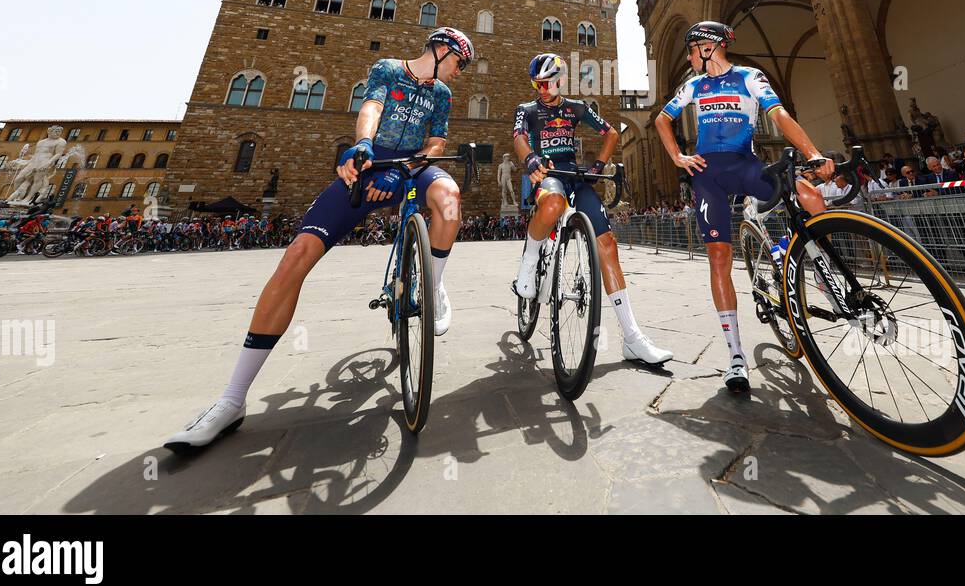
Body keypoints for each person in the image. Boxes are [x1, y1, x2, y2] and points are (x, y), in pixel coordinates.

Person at [165, 27, 473, 451]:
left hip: (412, 167)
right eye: (460, 62)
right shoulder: (388, 69)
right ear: (441, 51)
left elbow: (436, 141)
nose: (461, 72)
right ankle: (231, 400)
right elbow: (372, 105)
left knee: (450, 200)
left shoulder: (441, 93)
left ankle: (433, 287)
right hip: (371, 164)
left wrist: (408, 167)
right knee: (296, 257)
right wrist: (362, 147)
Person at [653, 21, 834, 394]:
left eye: (691, 50)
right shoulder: (693, 85)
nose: (688, 58)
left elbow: (779, 116)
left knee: (809, 195)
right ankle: (736, 356)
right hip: (708, 174)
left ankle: (822, 268)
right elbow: (661, 119)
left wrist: (811, 152)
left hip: (746, 165)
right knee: (719, 257)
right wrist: (677, 157)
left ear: (707, 47)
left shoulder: (750, 76)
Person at [512, 53, 671, 366]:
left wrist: (600, 163)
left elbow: (611, 133)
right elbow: (518, 137)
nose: (542, 89)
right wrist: (530, 159)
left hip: (576, 175)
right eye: (537, 84)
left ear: (561, 80)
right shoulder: (527, 110)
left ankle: (633, 338)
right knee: (554, 203)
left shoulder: (576, 108)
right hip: (548, 175)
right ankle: (529, 263)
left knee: (607, 245)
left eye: (548, 83)